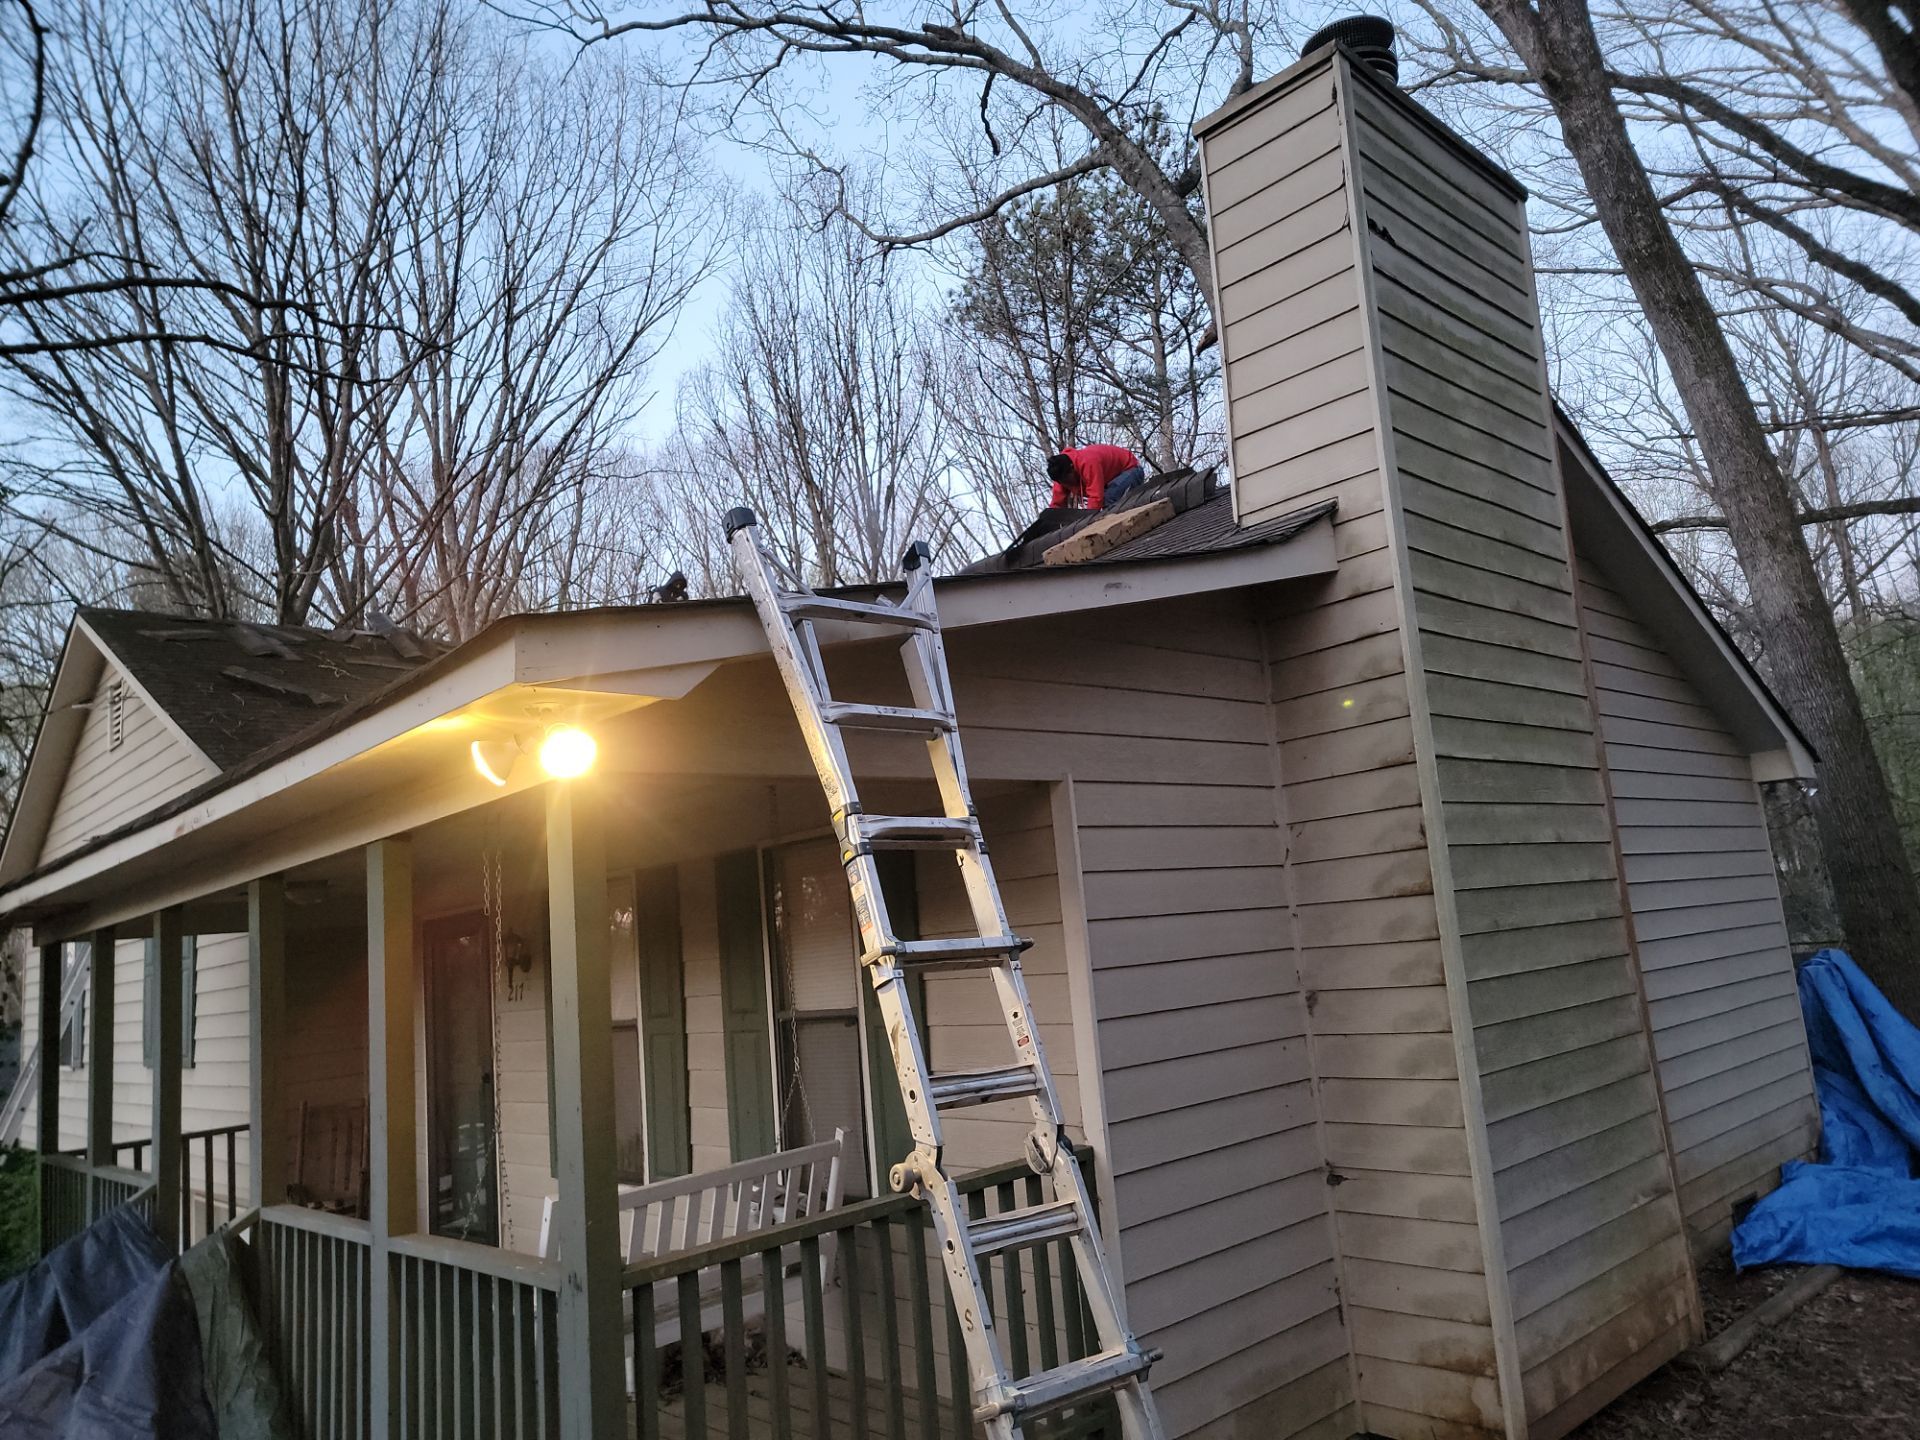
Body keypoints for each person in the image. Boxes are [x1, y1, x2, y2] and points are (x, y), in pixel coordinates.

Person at [1047, 444, 1145, 511]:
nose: (1066, 484)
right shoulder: (1060, 475)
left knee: (1109, 499)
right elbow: (1056, 504)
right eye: (1062, 482)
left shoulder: (1089, 463)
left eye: (1067, 480)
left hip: (1131, 470)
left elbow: (1096, 498)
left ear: (1072, 469)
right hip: (1111, 481)